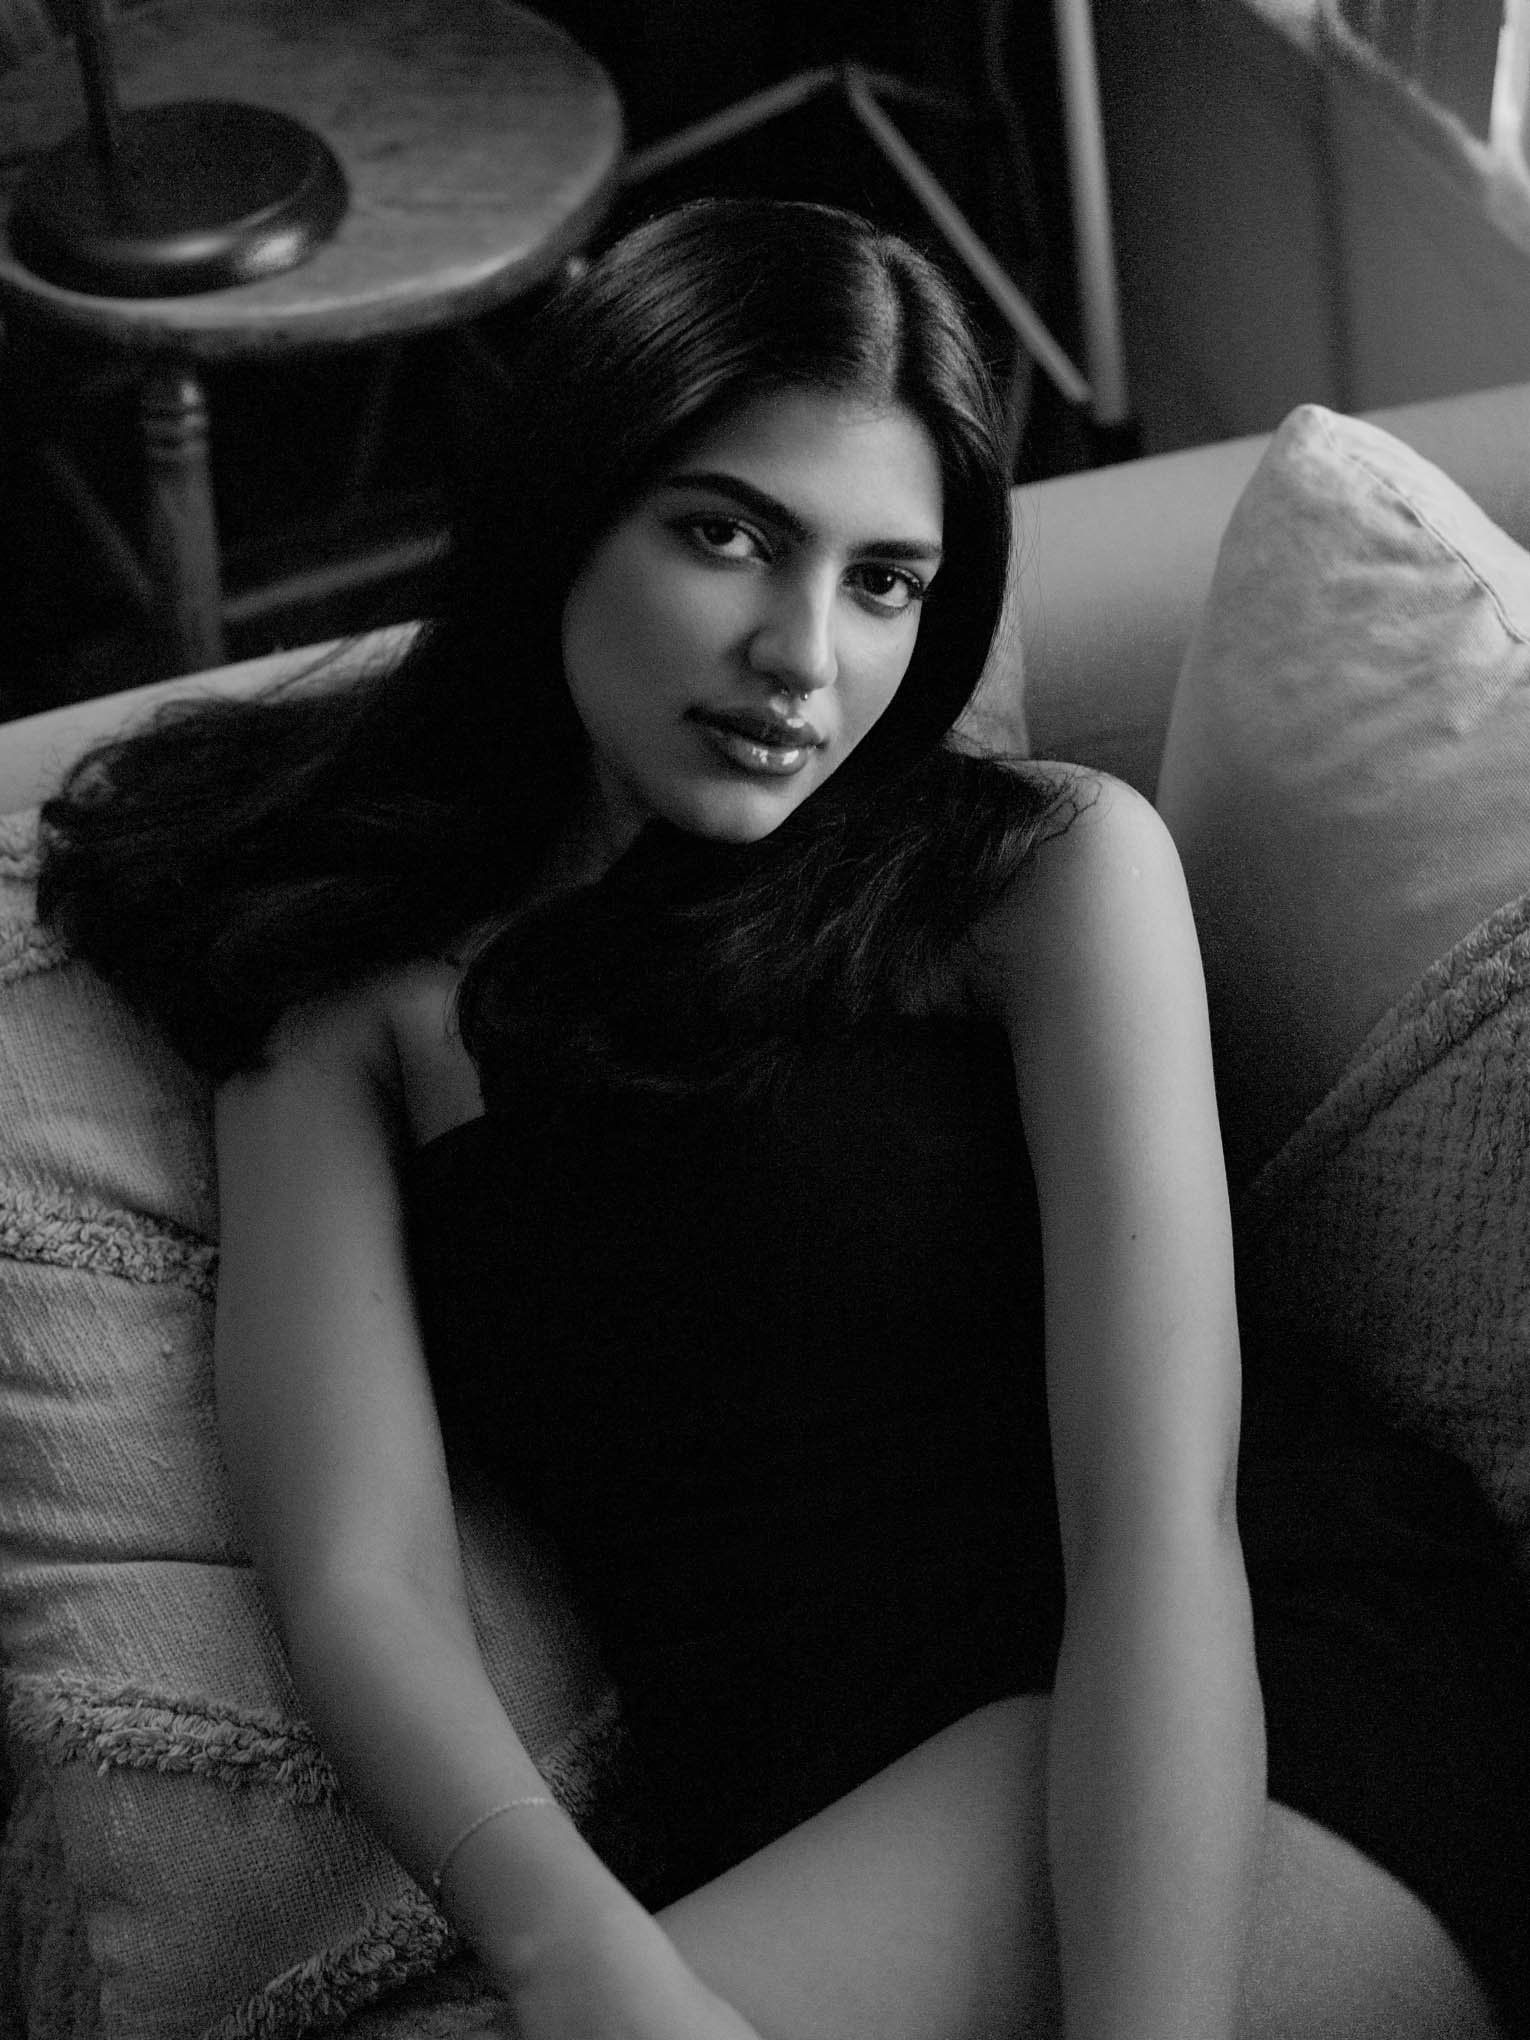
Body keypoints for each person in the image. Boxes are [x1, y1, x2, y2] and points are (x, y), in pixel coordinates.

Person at [35, 198, 1530, 2040]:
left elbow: (1158, 1520)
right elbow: (360, 1572)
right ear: (568, 509)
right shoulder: (347, 996)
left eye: (883, 581)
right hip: (794, 1808)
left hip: (1251, 1711)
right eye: (727, 536)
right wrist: (574, 1958)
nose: (800, 655)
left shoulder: (1036, 877)